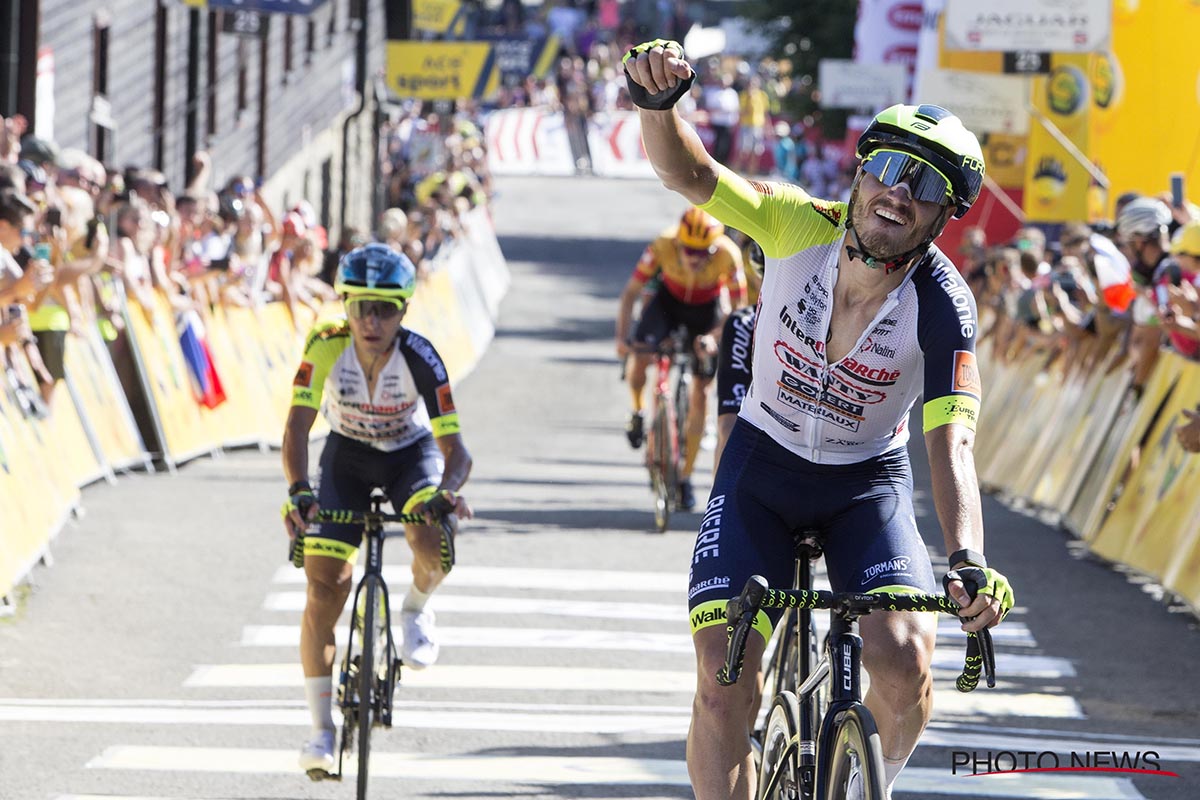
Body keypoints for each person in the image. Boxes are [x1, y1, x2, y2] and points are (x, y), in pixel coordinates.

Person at [623, 40, 1016, 800]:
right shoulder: (795, 224)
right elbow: (690, 173)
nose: (900, 193)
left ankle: (870, 785)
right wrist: (658, 104)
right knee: (721, 681)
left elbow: (952, 440)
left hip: (866, 482)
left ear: (942, 216)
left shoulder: (944, 307)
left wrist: (967, 556)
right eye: (891, 169)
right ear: (862, 172)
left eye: (927, 185)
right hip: (762, 469)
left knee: (904, 665)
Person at [281, 243, 473, 775]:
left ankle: (413, 607)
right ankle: (320, 731)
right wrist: (299, 489)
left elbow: (458, 450)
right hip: (346, 456)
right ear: (343, 304)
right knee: (324, 587)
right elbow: (297, 427)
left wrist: (445, 492)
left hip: (408, 456)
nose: (371, 319)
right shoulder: (325, 346)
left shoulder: (421, 356)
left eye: (385, 308)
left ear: (404, 311)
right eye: (360, 305)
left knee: (430, 538)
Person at [615, 206, 746, 511]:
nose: (694, 258)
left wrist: (714, 339)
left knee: (701, 392)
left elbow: (738, 313)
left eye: (704, 253)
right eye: (688, 250)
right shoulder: (662, 243)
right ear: (678, 244)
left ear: (716, 246)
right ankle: (638, 410)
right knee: (640, 356)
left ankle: (685, 476)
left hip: (707, 311)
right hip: (668, 305)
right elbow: (630, 293)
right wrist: (621, 339)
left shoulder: (729, 255)